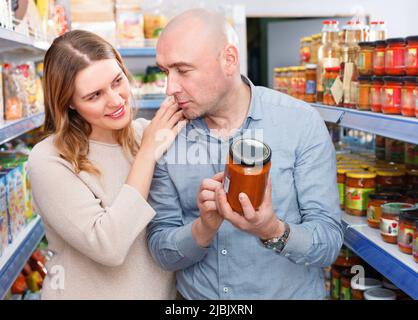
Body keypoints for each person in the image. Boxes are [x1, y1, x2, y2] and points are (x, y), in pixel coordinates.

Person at [147, 9, 344, 300]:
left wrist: (272, 229)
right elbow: (161, 251)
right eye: (165, 71)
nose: (170, 88)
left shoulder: (300, 122)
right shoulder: (167, 135)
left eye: (183, 70)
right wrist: (203, 228)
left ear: (228, 59)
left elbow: (328, 244)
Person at [28, 30, 185, 299]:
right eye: (94, 95)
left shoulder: (150, 133)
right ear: (69, 103)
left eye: (117, 81)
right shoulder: (49, 159)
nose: (115, 100)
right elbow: (108, 246)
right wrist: (146, 154)